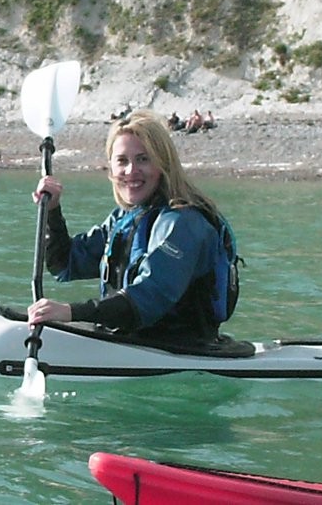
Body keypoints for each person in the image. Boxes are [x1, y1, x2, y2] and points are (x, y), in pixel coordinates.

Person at [27, 109, 233, 345]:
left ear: (162, 164)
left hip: (179, 350)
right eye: (122, 161)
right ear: (112, 168)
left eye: (143, 159)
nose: (131, 171)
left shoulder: (183, 223)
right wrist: (52, 211)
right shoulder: (125, 219)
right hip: (131, 341)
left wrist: (71, 312)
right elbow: (64, 263)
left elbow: (149, 298)